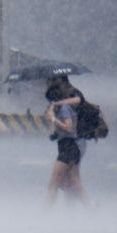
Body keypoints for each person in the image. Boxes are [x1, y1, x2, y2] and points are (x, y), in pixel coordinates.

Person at [44, 75, 89, 206]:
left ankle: (41, 217)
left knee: (53, 184)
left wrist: (53, 118)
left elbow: (68, 128)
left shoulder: (64, 108)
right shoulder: (65, 108)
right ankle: (89, 208)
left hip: (68, 148)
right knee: (73, 182)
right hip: (70, 147)